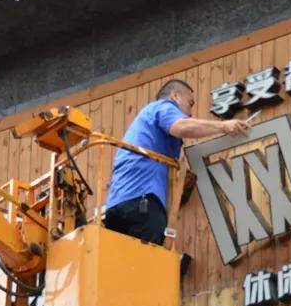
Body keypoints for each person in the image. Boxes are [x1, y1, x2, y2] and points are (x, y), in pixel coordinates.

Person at [104, 79, 250, 246]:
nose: (190, 113)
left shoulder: (148, 126)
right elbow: (181, 126)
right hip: (143, 201)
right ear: (174, 96)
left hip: (116, 205)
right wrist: (224, 126)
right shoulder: (163, 106)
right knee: (149, 261)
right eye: (190, 103)